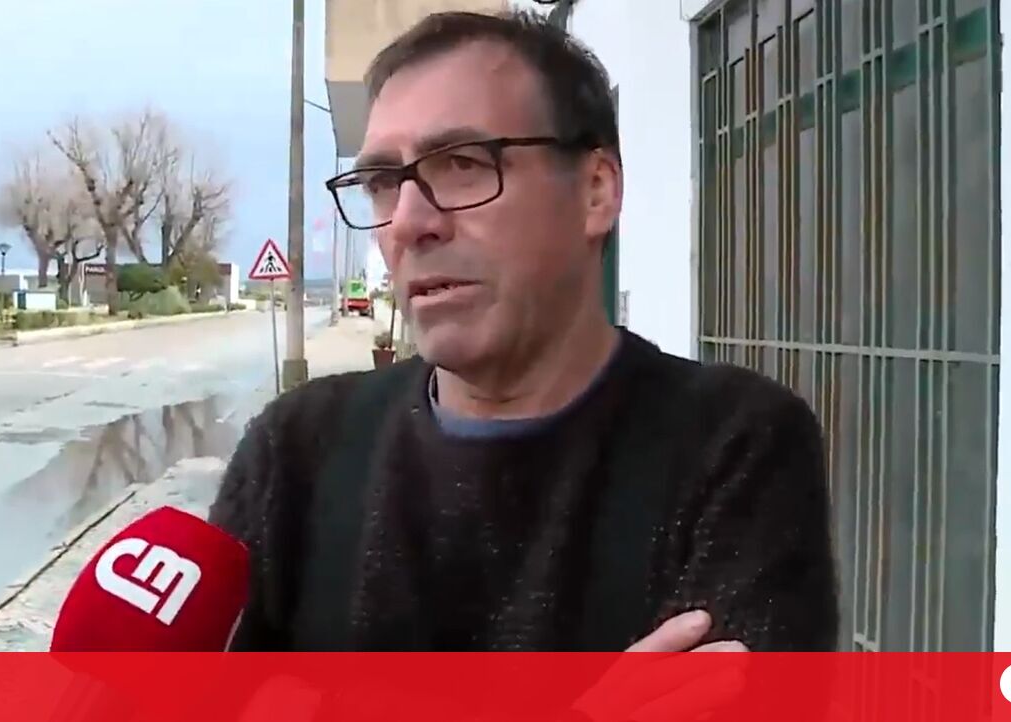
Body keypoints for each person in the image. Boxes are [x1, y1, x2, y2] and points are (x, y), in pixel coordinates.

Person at [209, 9, 837, 653]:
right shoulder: (297, 453)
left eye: (463, 164)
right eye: (382, 182)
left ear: (595, 191)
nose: (407, 223)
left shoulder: (731, 446)